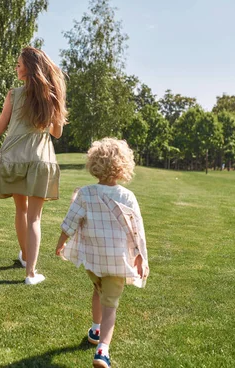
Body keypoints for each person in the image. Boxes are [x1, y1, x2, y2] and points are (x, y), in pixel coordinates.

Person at [0, 46, 68, 285]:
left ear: (28, 68)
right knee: (35, 217)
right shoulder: (53, 95)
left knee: (21, 210)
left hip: (13, 157)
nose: (16, 68)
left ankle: (27, 258)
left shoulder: (13, 94)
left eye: (18, 64)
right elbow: (57, 133)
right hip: (41, 158)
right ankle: (30, 272)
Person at [55, 138, 149, 368]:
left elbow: (70, 222)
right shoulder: (127, 197)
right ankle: (102, 350)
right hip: (116, 261)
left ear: (94, 164)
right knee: (111, 305)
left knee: (98, 289)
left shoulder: (85, 193)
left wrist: (61, 244)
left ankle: (95, 329)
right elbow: (138, 232)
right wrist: (141, 257)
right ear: (123, 165)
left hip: (93, 260)